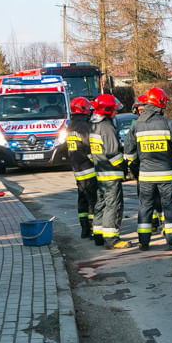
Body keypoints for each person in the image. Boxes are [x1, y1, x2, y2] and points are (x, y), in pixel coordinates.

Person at [123, 86, 172, 250]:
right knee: (169, 206)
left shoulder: (136, 126)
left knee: (145, 207)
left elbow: (129, 155)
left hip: (145, 176)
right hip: (167, 175)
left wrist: (139, 164)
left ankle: (144, 242)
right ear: (159, 103)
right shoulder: (169, 124)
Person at [89, 94, 127, 248]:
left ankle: (98, 234)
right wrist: (124, 167)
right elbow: (113, 153)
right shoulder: (107, 127)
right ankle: (112, 239)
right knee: (113, 205)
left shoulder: (94, 125)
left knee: (101, 204)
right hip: (111, 174)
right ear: (108, 110)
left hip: (100, 172)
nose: (116, 113)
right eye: (114, 110)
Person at [130, 94, 164, 232]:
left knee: (159, 198)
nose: (141, 111)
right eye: (139, 109)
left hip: (156, 166)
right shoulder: (135, 125)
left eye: (143, 108)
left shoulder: (159, 123)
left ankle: (163, 222)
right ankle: (153, 222)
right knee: (145, 199)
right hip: (142, 167)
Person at [67, 97, 98, 239]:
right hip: (89, 169)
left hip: (77, 169)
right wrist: (98, 162)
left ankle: (84, 228)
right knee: (93, 200)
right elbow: (90, 148)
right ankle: (93, 229)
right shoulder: (84, 126)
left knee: (82, 199)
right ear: (85, 110)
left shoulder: (71, 126)